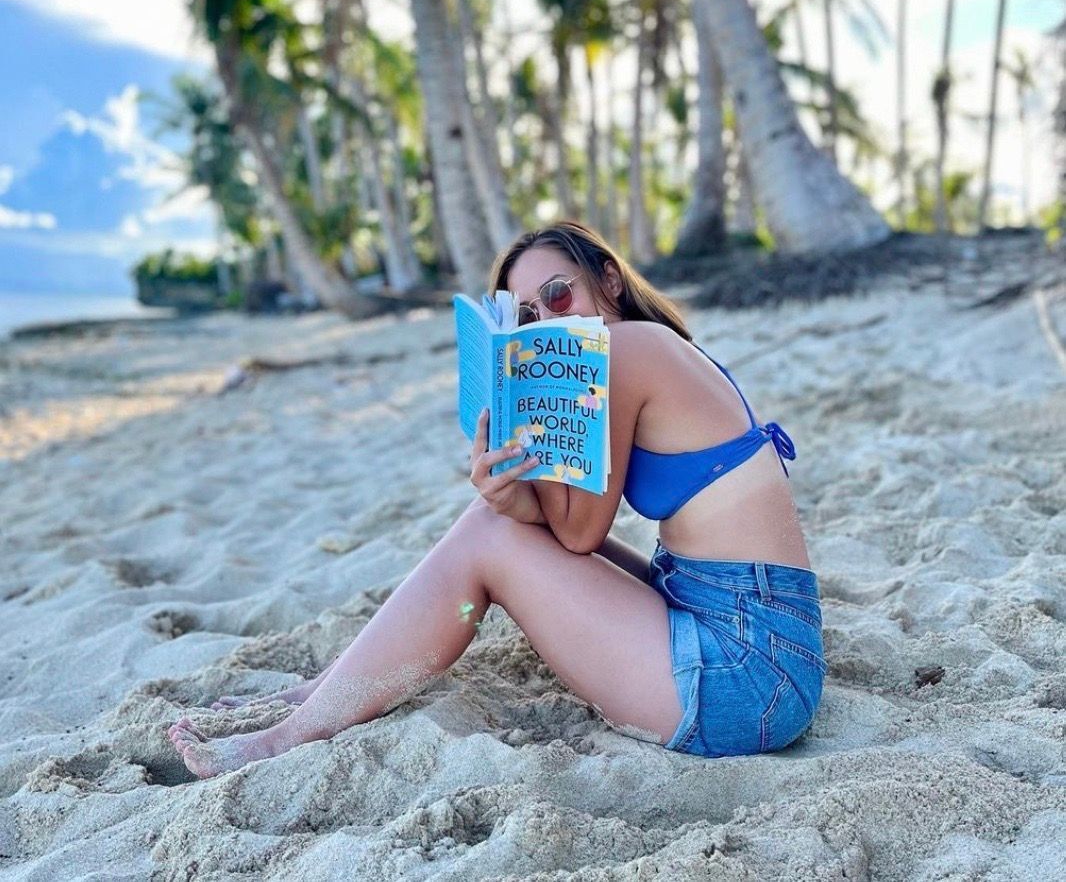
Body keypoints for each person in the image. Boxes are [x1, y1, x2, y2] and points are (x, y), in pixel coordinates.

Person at [169, 220, 823, 777]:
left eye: (558, 295)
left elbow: (579, 536)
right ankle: (325, 694)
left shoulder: (625, 350)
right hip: (741, 628)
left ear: (610, 282)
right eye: (528, 317)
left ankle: (293, 734)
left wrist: (513, 506)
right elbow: (574, 534)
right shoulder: (651, 348)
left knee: (491, 532)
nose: (547, 323)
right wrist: (510, 503)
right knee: (491, 522)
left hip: (748, 673)